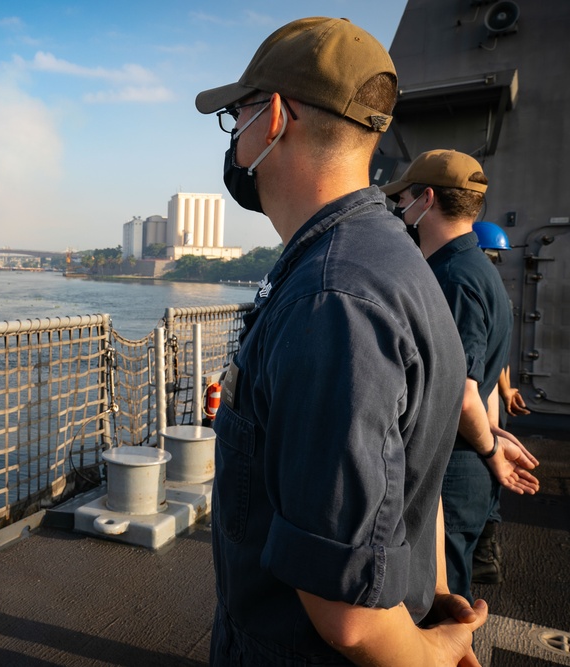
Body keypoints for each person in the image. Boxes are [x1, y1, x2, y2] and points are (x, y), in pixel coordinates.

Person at [196, 17, 485, 665]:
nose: (235, 134)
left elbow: (348, 619)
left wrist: (432, 654)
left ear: (271, 118)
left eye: (236, 116)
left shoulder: (332, 297)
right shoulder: (382, 259)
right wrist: (433, 591)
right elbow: (411, 472)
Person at [381, 150, 540, 603]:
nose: (399, 209)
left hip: (452, 466)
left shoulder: (451, 279)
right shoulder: (479, 272)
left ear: (426, 200)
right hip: (466, 461)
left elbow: (464, 393)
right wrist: (492, 435)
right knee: (453, 597)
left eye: (405, 198)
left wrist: (492, 449)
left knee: (437, 604)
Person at [468, 221, 535, 584]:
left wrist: (492, 420)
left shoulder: (471, 287)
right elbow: (499, 353)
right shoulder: (499, 293)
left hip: (482, 403)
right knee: (494, 472)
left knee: (489, 467)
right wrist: (507, 389)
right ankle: (487, 550)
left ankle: (481, 553)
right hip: (491, 396)